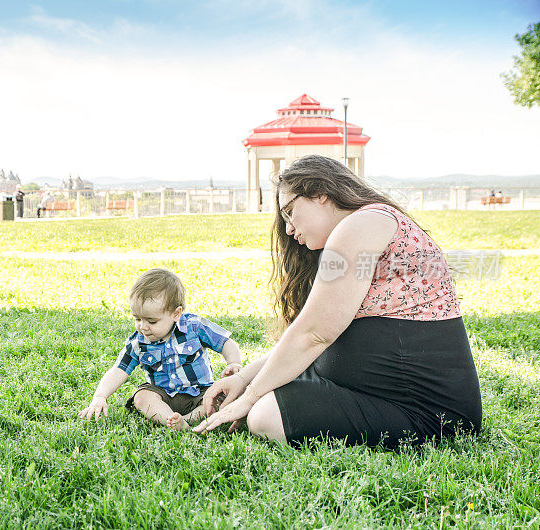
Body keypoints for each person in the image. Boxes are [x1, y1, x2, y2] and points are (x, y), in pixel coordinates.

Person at [193, 155, 482, 448]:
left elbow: (314, 335)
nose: (289, 228)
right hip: (385, 398)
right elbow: (316, 331)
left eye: (291, 212)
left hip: (429, 415)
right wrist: (244, 381)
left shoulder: (362, 224)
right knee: (267, 404)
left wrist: (250, 397)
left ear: (320, 193)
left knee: (264, 415)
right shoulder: (365, 224)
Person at [79, 268, 242, 431]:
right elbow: (118, 370)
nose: (143, 327)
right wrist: (100, 396)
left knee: (217, 398)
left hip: (199, 392)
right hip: (163, 397)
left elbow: (225, 343)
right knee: (142, 397)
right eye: (137, 319)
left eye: (152, 321)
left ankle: (186, 420)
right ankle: (169, 420)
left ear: (176, 314)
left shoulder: (194, 326)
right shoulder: (138, 342)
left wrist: (233, 363)